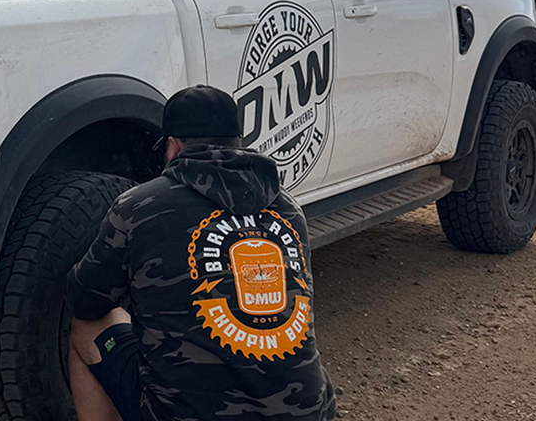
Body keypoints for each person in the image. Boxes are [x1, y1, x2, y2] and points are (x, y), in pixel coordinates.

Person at [66, 85, 336, 421]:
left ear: (173, 145)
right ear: (238, 142)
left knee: (86, 328)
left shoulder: (138, 206)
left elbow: (84, 299)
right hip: (306, 414)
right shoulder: (289, 210)